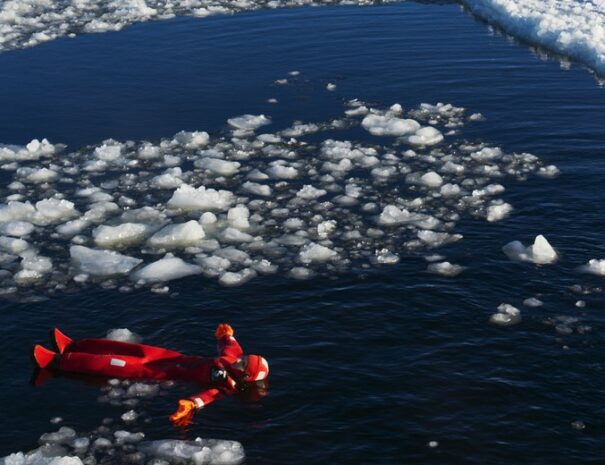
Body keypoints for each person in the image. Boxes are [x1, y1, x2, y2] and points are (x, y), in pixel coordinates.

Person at [32, 324, 269, 426]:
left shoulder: (226, 384)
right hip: (171, 357)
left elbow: (209, 396)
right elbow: (230, 347)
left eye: (244, 363)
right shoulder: (233, 359)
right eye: (245, 357)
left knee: (115, 363)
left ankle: (57, 362)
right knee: (126, 348)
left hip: (160, 372)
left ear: (245, 376)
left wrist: (191, 405)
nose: (240, 359)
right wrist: (226, 335)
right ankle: (74, 346)